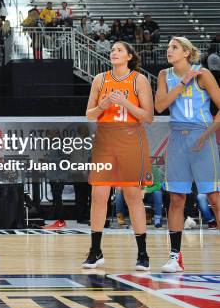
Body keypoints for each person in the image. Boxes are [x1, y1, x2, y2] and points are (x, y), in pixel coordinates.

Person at [83, 42, 154, 271]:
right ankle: (95, 251)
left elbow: (149, 116)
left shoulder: (139, 80)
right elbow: (89, 116)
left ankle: (143, 253)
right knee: (99, 195)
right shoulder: (100, 79)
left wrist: (125, 103)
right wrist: (102, 106)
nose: (114, 52)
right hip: (105, 140)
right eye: (112, 50)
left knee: (133, 196)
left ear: (129, 56)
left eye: (119, 50)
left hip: (132, 139)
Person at [155, 37, 220, 273]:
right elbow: (160, 105)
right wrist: (182, 83)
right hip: (177, 137)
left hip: (202, 136)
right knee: (176, 199)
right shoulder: (165, 75)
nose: (168, 51)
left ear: (186, 53)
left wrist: (207, 134)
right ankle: (175, 257)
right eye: (168, 47)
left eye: (174, 47)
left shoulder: (203, 74)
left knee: (214, 198)